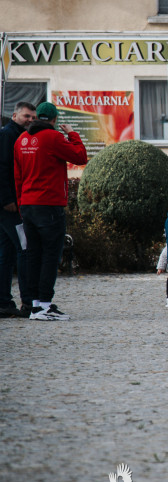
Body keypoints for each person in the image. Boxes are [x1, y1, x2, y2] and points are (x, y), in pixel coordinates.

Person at [13, 102, 88, 321]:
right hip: (49, 205)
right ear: (53, 119)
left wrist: (20, 205)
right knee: (50, 256)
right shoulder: (53, 138)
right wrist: (72, 134)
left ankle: (35, 304)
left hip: (27, 205)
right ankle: (45, 305)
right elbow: (80, 157)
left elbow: (17, 177)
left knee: (33, 256)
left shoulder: (21, 140)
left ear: (37, 117)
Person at [0, 101, 35, 318]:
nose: (30, 120)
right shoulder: (8, 135)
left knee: (7, 253)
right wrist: (7, 199)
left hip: (8, 203)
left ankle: (4, 302)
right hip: (9, 205)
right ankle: (28, 302)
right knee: (24, 249)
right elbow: (3, 168)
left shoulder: (17, 135)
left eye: (33, 117)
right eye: (26, 116)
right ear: (14, 116)